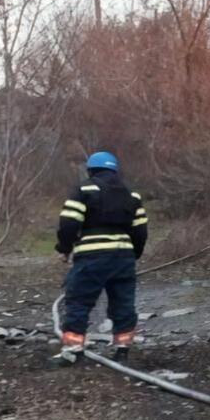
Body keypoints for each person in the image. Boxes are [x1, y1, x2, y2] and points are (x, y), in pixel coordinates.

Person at [54, 151, 148, 365]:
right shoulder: (132, 195)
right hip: (123, 257)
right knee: (123, 302)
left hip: (92, 256)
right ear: (114, 170)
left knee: (79, 300)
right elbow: (141, 231)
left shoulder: (84, 189)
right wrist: (134, 254)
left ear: (91, 170)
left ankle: (74, 351)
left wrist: (64, 248)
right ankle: (122, 350)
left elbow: (69, 222)